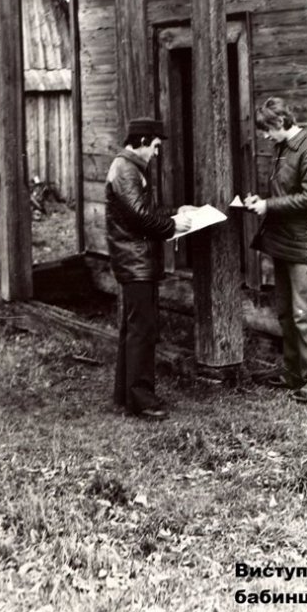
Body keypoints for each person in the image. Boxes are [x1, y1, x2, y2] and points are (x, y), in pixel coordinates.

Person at [244, 97, 307, 403]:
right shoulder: (282, 148)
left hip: (302, 242)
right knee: (286, 312)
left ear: (281, 123)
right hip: (282, 239)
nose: (265, 137)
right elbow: (285, 191)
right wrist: (261, 201)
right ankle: (294, 373)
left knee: (305, 313)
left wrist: (269, 205)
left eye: (268, 130)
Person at [105, 117, 192, 420]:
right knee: (142, 330)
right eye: (155, 146)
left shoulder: (128, 168)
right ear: (142, 142)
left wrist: (175, 212)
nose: (156, 153)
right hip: (135, 262)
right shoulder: (126, 170)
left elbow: (144, 212)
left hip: (135, 261)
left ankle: (126, 395)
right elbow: (140, 218)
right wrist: (172, 226)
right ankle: (142, 400)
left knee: (134, 329)